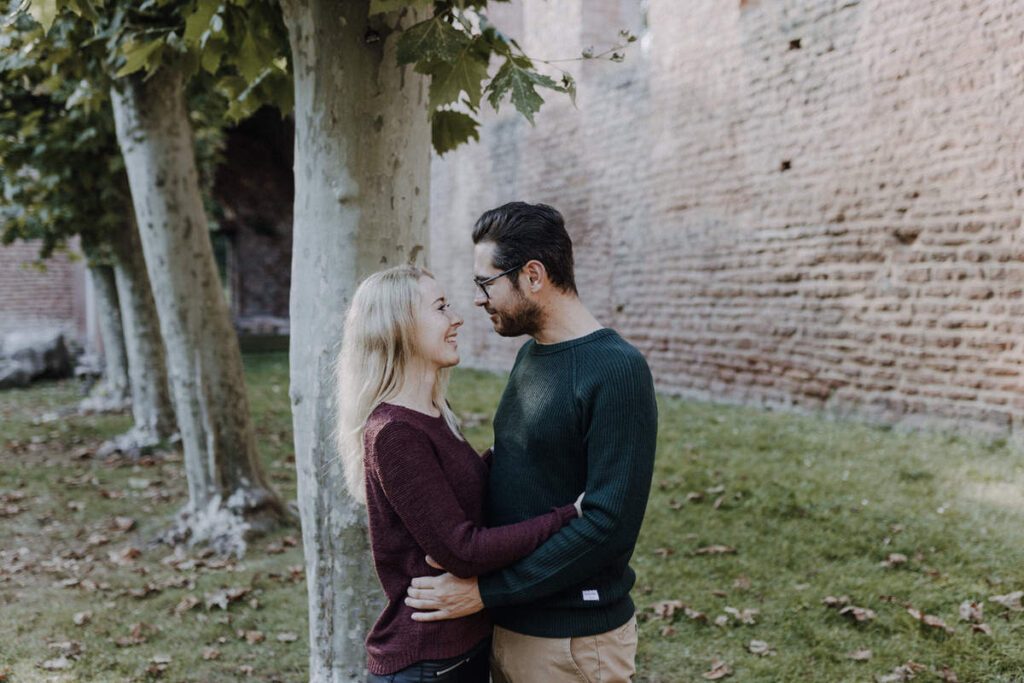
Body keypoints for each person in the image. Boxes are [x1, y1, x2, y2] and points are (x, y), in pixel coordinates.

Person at [404, 202, 658, 682]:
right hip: (506, 627)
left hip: (570, 641)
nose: (479, 299)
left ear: (534, 275)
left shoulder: (618, 370)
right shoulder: (530, 355)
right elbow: (516, 467)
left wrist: (488, 591)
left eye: (486, 283)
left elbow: (609, 524)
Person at [335, 264, 582, 682]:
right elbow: (463, 551)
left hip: (459, 651)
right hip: (427, 662)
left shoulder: (431, 413)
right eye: (440, 307)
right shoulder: (395, 433)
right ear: (400, 327)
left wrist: (528, 444)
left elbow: (466, 491)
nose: (457, 318)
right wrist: (566, 516)